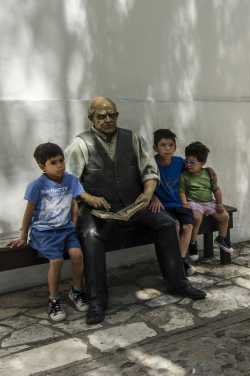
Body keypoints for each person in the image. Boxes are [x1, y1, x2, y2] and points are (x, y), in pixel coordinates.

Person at [65, 97, 206, 326]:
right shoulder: (80, 145)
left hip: (134, 205)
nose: (108, 119)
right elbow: (70, 181)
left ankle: (177, 282)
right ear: (91, 118)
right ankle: (97, 300)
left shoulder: (132, 139)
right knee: (91, 237)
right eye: (102, 116)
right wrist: (89, 198)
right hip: (97, 211)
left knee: (167, 223)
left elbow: (149, 170)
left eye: (112, 114)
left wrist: (148, 193)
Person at [7, 142, 88, 322]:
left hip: (66, 230)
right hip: (44, 232)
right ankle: (53, 300)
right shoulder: (37, 185)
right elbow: (28, 213)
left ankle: (76, 292)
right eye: (53, 162)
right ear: (42, 166)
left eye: (61, 160)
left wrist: (74, 223)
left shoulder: (71, 180)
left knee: (77, 255)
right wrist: (23, 236)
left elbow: (74, 203)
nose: (60, 165)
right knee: (57, 260)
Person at [149, 128, 197, 275]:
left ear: (175, 147)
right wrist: (153, 197)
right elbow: (143, 183)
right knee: (174, 226)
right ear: (155, 147)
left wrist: (209, 171)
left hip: (180, 203)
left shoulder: (179, 162)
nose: (167, 148)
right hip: (163, 206)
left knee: (188, 226)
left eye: (171, 145)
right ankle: (177, 263)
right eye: (163, 145)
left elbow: (196, 170)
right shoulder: (151, 164)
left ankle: (180, 260)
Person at [180, 141, 233, 254]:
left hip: (209, 202)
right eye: (187, 161)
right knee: (197, 218)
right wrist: (184, 203)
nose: (188, 165)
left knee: (225, 216)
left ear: (202, 162)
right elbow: (182, 191)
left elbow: (216, 190)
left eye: (192, 162)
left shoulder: (208, 173)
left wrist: (219, 204)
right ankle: (193, 243)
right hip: (193, 203)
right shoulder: (184, 175)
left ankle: (221, 239)